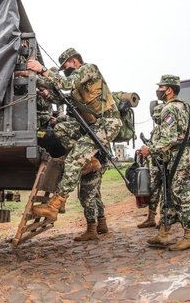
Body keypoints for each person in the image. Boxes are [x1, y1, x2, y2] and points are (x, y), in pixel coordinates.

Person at [27, 48, 121, 241]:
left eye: (66, 66)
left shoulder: (89, 69)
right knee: (60, 129)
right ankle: (91, 161)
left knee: (72, 161)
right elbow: (64, 98)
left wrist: (41, 69)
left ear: (74, 61)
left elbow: (66, 84)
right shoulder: (79, 87)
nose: (65, 70)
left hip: (107, 123)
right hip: (91, 126)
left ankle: (54, 206)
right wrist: (45, 92)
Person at [138, 75, 190, 251]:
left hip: (178, 161)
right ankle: (163, 234)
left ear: (169, 90)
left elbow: (169, 138)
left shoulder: (170, 109)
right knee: (167, 197)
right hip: (177, 159)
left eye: (161, 87)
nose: (158, 90)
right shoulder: (184, 106)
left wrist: (150, 149)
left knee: (181, 196)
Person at [136, 103, 164, 228]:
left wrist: (150, 148)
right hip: (155, 166)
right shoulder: (156, 130)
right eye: (155, 115)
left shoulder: (167, 129)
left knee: (166, 194)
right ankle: (151, 218)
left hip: (164, 165)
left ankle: (165, 219)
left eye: (159, 114)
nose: (157, 117)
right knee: (153, 192)